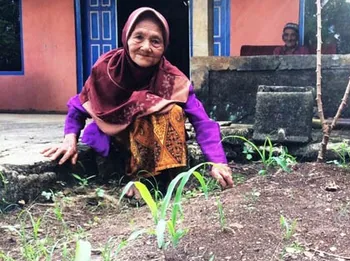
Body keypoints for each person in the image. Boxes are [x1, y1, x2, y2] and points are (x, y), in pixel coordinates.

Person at [41, 7, 234, 198]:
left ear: (164, 46)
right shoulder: (106, 69)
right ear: (126, 38)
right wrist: (69, 139)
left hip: (158, 151)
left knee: (171, 110)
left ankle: (155, 180)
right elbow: (79, 104)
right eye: (138, 37)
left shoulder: (172, 79)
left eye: (155, 41)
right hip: (117, 142)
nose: (146, 47)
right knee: (141, 106)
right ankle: (138, 177)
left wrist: (217, 162)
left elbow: (202, 121)